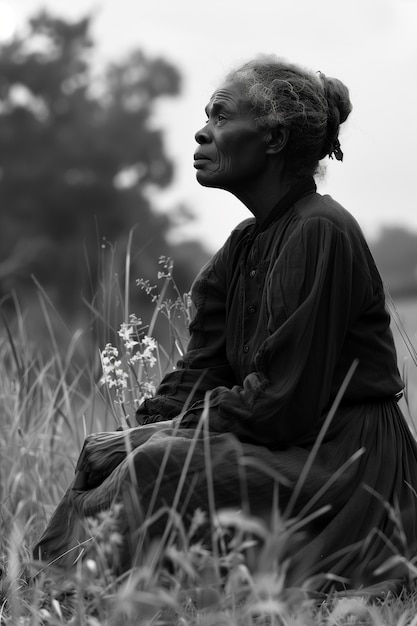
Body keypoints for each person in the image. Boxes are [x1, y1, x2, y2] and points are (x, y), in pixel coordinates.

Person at [34, 55, 417, 592]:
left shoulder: (321, 230)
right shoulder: (245, 244)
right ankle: (45, 588)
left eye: (219, 116)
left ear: (274, 138)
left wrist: (151, 437)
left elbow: (283, 402)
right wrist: (131, 432)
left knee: (155, 462)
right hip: (289, 439)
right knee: (109, 457)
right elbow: (203, 368)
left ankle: (83, 593)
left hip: (343, 462)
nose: (201, 131)